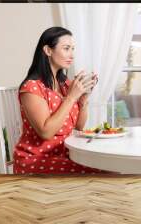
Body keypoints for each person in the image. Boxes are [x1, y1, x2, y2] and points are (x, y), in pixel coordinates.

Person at [13, 27, 104, 174]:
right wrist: (72, 97)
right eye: (66, 48)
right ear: (48, 51)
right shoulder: (31, 87)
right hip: (36, 159)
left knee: (107, 167)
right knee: (101, 173)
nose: (72, 55)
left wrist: (83, 100)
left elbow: (79, 126)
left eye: (73, 49)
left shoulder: (65, 84)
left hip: (65, 153)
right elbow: (46, 132)